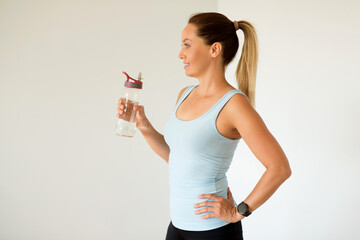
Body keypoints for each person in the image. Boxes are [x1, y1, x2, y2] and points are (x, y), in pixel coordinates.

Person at [117, 12, 292, 240]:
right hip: (176, 228)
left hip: (214, 232)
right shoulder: (185, 94)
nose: (181, 54)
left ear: (214, 49)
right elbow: (177, 158)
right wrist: (142, 124)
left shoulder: (234, 105)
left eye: (187, 45)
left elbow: (279, 168)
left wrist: (239, 210)